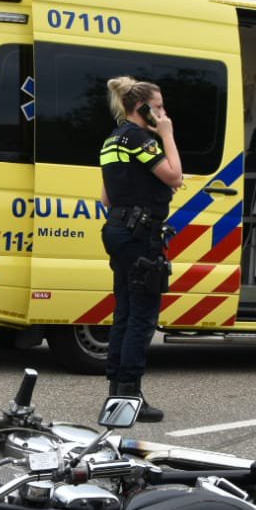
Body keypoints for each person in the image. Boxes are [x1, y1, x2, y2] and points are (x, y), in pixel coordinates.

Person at [99, 76, 183, 421]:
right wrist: (167, 133)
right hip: (141, 235)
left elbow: (105, 196)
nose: (163, 113)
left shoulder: (112, 139)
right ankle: (129, 397)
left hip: (118, 229)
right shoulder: (142, 138)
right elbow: (175, 176)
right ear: (142, 107)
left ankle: (116, 393)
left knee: (125, 312)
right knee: (143, 316)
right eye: (158, 107)